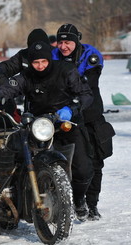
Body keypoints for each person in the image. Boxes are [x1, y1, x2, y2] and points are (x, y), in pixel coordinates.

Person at [0, 41, 94, 222]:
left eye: (43, 62)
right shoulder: (26, 76)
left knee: (83, 169)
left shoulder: (66, 70)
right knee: (27, 161)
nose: (40, 66)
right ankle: (26, 200)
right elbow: (8, 89)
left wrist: (71, 109)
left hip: (67, 123)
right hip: (40, 126)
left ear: (49, 60)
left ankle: (78, 200)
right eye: (35, 63)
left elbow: (86, 94)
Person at [52, 23, 115, 221]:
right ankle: (68, 202)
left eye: (68, 42)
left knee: (96, 162)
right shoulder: (53, 55)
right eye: (60, 42)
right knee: (66, 162)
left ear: (76, 41)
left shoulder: (90, 54)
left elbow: (89, 83)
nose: (63, 46)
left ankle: (92, 204)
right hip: (64, 118)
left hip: (89, 115)